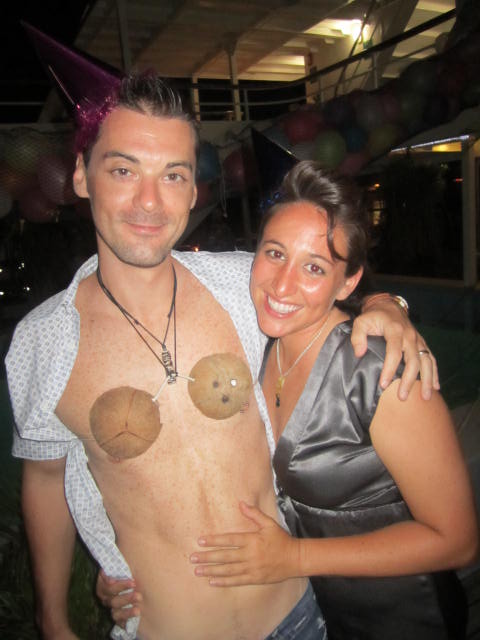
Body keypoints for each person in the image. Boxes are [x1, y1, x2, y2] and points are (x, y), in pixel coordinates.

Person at [6, 72, 437, 640]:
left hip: (300, 618)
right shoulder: (42, 343)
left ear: (194, 191)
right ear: (82, 176)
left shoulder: (242, 285)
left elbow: (323, 291)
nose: (149, 201)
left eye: (173, 175)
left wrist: (387, 305)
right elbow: (45, 481)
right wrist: (53, 620)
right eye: (124, 170)